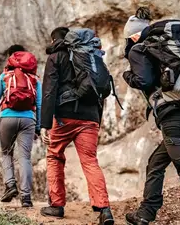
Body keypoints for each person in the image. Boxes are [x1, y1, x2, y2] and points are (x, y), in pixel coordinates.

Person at [121, 9, 180, 225]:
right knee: (155, 162)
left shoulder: (139, 48)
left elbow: (143, 80)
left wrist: (128, 76)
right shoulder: (173, 44)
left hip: (175, 120)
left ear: (133, 36)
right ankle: (146, 213)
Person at [40, 27, 115, 225]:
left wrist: (45, 124)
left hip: (64, 116)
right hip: (89, 116)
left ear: (54, 38)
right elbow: (97, 88)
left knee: (55, 155)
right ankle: (104, 209)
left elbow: (49, 91)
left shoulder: (56, 57)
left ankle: (56, 206)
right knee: (90, 160)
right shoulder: (89, 54)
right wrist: (96, 119)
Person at [0, 45, 42, 208]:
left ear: (11, 58)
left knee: (6, 153)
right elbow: (39, 103)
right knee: (25, 157)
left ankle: (10, 185)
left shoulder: (4, 76)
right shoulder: (34, 79)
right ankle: (26, 197)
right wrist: (39, 126)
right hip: (28, 120)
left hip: (7, 118)